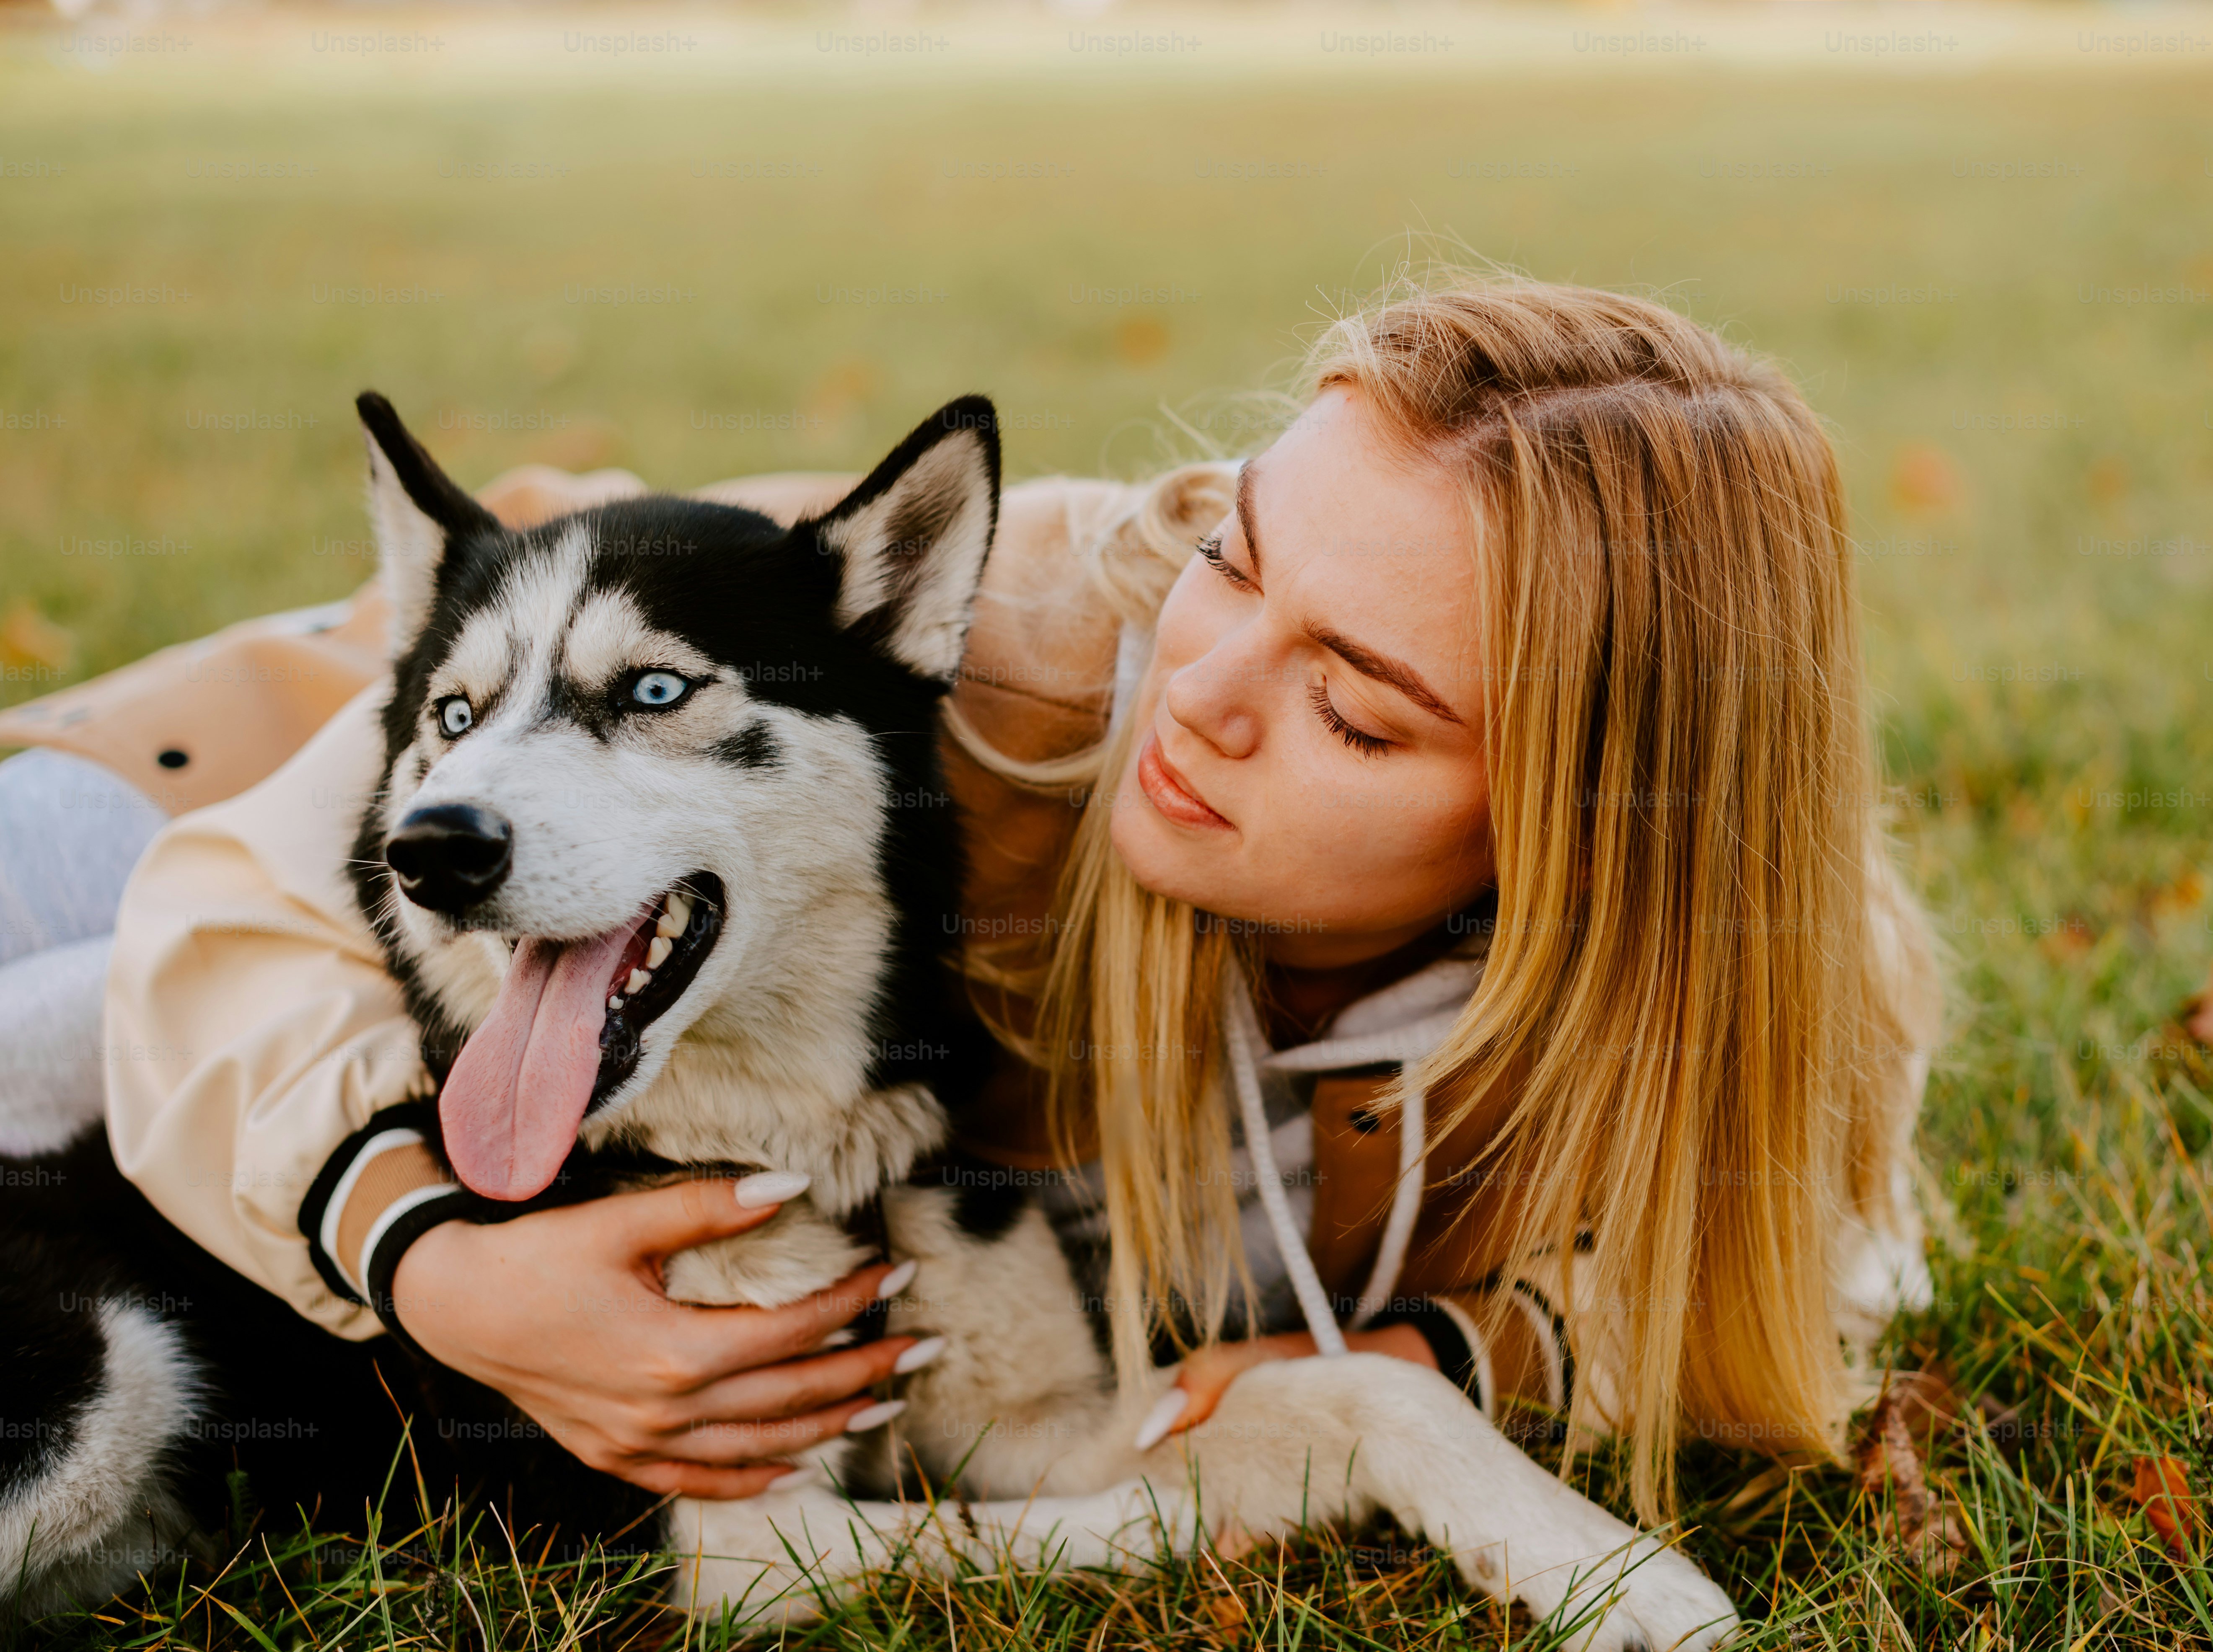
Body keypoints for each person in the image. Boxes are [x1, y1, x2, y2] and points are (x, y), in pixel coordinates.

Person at [0, 274, 1938, 1532]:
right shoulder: (1000, 654)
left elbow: (1735, 1283)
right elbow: (226, 914)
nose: (1205, 687)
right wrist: (436, 1258)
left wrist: (1431, 1362)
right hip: (198, 796)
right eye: (1236, 552)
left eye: (1352, 702)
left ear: (1581, 831)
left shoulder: (1753, 980)